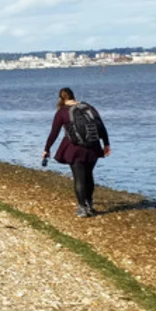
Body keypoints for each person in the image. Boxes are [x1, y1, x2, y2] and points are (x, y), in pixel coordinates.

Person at [42, 87, 110, 217]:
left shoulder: (62, 112)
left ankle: (82, 208)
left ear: (61, 98)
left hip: (74, 149)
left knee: (79, 178)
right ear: (74, 96)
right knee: (88, 175)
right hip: (93, 147)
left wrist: (47, 149)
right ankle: (89, 205)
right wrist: (106, 144)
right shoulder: (88, 107)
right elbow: (101, 126)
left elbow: (54, 133)